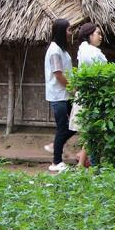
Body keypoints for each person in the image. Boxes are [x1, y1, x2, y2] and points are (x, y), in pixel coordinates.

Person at [70, 23, 108, 168]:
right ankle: (91, 164)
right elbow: (103, 72)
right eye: (98, 33)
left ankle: (81, 163)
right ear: (90, 35)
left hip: (85, 95)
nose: (100, 36)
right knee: (92, 132)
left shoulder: (83, 50)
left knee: (89, 132)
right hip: (91, 97)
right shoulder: (92, 52)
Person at [44, 18, 74, 173]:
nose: (70, 33)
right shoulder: (55, 50)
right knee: (63, 127)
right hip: (59, 95)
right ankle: (56, 162)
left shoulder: (61, 49)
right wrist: (72, 88)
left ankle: (54, 145)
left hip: (65, 94)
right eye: (68, 30)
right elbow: (58, 74)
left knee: (76, 123)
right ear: (62, 31)